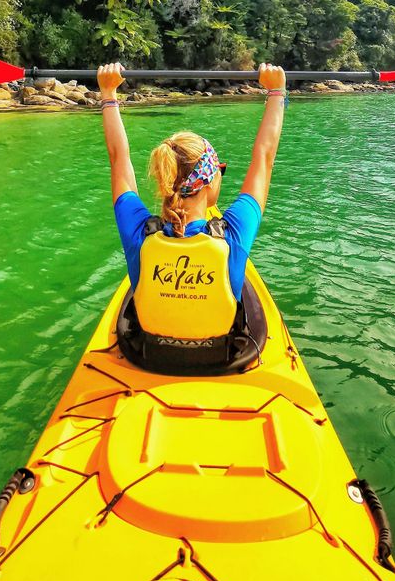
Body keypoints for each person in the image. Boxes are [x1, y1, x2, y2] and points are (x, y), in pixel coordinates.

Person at [97, 62, 287, 370]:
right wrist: (276, 90)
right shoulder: (234, 232)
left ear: (163, 180)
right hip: (221, 359)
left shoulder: (140, 232)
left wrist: (108, 94)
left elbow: (118, 158)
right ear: (211, 180)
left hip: (148, 357)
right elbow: (265, 156)